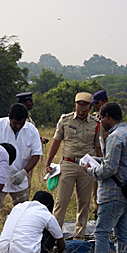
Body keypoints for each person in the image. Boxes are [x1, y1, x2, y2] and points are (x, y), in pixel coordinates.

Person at [78, 102, 127, 253]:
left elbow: (109, 170)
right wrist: (98, 161)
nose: (100, 122)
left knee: (102, 233)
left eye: (100, 117)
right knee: (122, 234)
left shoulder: (114, 137)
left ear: (107, 117)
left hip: (112, 194)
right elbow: (118, 162)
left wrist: (90, 170)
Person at [0, 103, 42, 234]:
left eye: (21, 123)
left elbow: (36, 154)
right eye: (15, 123)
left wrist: (24, 172)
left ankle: (21, 245)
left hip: (19, 181)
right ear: (9, 117)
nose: (17, 126)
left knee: (24, 217)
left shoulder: (31, 130)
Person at [43, 92, 102, 239]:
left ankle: (79, 235)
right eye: (79, 110)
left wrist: (101, 167)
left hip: (86, 167)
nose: (81, 114)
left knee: (84, 202)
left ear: (89, 108)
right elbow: (56, 142)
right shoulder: (65, 120)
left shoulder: (96, 124)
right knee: (61, 202)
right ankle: (55, 236)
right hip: (68, 164)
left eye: (84, 111)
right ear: (75, 106)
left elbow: (98, 148)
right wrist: (48, 162)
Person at [0, 190, 66, 253]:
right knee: (49, 233)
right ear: (48, 205)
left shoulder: (17, 207)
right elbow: (62, 244)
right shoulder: (46, 214)